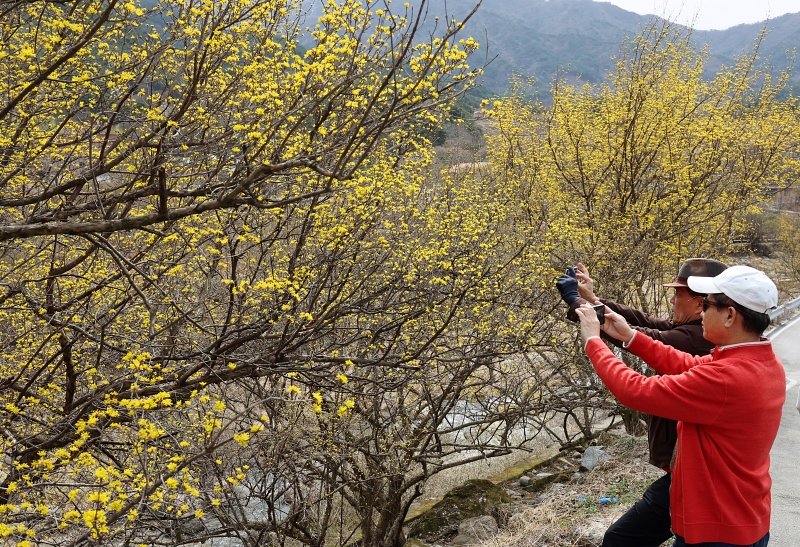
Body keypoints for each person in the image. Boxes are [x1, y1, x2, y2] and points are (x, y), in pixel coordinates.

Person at [575, 265, 785, 546]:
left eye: (707, 304)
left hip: (717, 529)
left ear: (730, 315)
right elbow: (686, 364)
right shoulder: (759, 360)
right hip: (740, 514)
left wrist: (593, 341)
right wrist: (630, 337)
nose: (701, 312)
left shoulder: (725, 378)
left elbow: (634, 390)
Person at [556, 258, 728, 547]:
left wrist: (583, 316)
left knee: (622, 539)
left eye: (678, 294)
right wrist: (591, 300)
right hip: (693, 475)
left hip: (700, 481)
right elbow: (640, 324)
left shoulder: (699, 339)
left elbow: (642, 360)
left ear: (701, 305)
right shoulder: (716, 342)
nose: (672, 300)